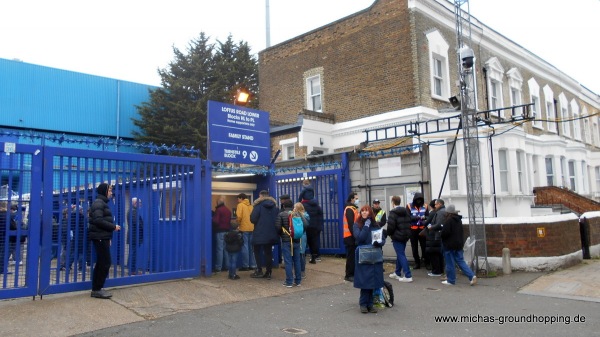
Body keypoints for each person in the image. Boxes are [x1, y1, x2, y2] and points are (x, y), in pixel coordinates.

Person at [89, 183, 121, 299]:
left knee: (101, 263)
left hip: (102, 237)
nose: (111, 193)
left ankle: (97, 288)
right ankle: (97, 289)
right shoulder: (99, 203)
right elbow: (98, 220)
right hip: (100, 237)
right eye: (110, 190)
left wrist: (108, 237)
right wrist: (113, 227)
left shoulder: (101, 203)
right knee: (106, 262)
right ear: (104, 191)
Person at [353, 205, 384, 314]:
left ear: (370, 213)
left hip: (374, 254)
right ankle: (363, 304)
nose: (364, 213)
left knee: (373, 280)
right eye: (362, 211)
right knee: (364, 280)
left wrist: (379, 242)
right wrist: (366, 226)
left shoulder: (375, 225)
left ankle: (370, 304)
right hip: (363, 254)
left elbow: (382, 240)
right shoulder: (357, 225)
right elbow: (360, 238)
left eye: (366, 211)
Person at [439, 204, 477, 286]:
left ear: (448, 212)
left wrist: (441, 233)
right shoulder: (459, 220)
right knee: (461, 262)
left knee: (450, 263)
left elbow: (445, 233)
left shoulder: (448, 221)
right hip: (458, 245)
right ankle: (472, 276)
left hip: (449, 245)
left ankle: (451, 280)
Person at [276, 201, 308, 287]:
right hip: (297, 240)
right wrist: (299, 233)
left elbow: (278, 227)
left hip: (287, 241)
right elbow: (305, 225)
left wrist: (282, 235)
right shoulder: (298, 214)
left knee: (288, 261)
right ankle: (298, 281)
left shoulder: (282, 214)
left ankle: (289, 281)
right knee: (297, 260)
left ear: (283, 206)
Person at [250, 190, 279, 279]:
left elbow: (253, 219)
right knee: (268, 252)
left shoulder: (258, 206)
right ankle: (268, 272)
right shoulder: (275, 206)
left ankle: (259, 270)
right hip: (271, 233)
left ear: (261, 196)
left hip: (259, 232)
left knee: (257, 251)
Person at [386, 195, 413, 283]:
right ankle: (397, 273)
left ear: (393, 202)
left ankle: (408, 275)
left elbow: (391, 226)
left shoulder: (393, 213)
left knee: (401, 254)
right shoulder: (406, 211)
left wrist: (389, 234)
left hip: (397, 237)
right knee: (400, 254)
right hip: (405, 236)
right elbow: (409, 223)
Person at [406, 192, 430, 269]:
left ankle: (427, 262)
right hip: (413, 230)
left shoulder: (425, 206)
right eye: (417, 200)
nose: (419, 201)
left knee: (424, 247)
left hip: (422, 230)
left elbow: (428, 216)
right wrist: (417, 218)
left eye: (420, 200)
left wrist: (424, 218)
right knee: (414, 247)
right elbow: (407, 217)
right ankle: (417, 263)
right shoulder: (409, 206)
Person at [424, 199, 445, 277]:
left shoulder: (439, 212)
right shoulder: (443, 211)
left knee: (434, 254)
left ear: (439, 204)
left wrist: (431, 227)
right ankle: (440, 270)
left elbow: (438, 224)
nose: (434, 206)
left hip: (436, 236)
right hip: (439, 236)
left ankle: (436, 271)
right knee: (439, 254)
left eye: (436, 204)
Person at [301, 193, 323, 264]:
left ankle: (303, 257)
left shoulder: (304, 206)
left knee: (304, 241)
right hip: (316, 227)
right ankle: (315, 257)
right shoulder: (317, 206)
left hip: (306, 226)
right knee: (314, 242)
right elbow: (321, 215)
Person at [236, 193, 255, 272]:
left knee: (245, 247)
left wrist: (238, 224)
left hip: (244, 228)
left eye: (238, 199)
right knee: (251, 247)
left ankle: (245, 265)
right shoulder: (251, 206)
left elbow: (239, 216)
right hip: (252, 228)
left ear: (241, 198)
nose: (237, 200)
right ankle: (253, 265)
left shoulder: (240, 205)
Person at [212, 196, 232, 273]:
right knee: (226, 249)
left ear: (218, 203)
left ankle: (218, 267)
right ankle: (227, 266)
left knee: (219, 250)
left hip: (220, 231)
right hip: (227, 231)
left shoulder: (218, 210)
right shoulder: (228, 210)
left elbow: (216, 221)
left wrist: (212, 219)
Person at [343, 192, 360, 282]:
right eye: (356, 198)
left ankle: (352, 273)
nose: (357, 200)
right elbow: (351, 225)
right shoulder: (349, 209)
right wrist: (355, 236)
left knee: (353, 256)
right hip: (350, 237)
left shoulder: (353, 208)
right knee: (350, 256)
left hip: (351, 236)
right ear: (352, 199)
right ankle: (348, 275)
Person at [127, 197, 144, 275]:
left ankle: (131, 269)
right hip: (134, 236)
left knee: (133, 253)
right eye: (139, 203)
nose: (140, 204)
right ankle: (132, 270)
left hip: (134, 235)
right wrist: (143, 226)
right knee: (133, 253)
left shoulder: (133, 211)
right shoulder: (133, 212)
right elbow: (136, 223)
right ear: (135, 203)